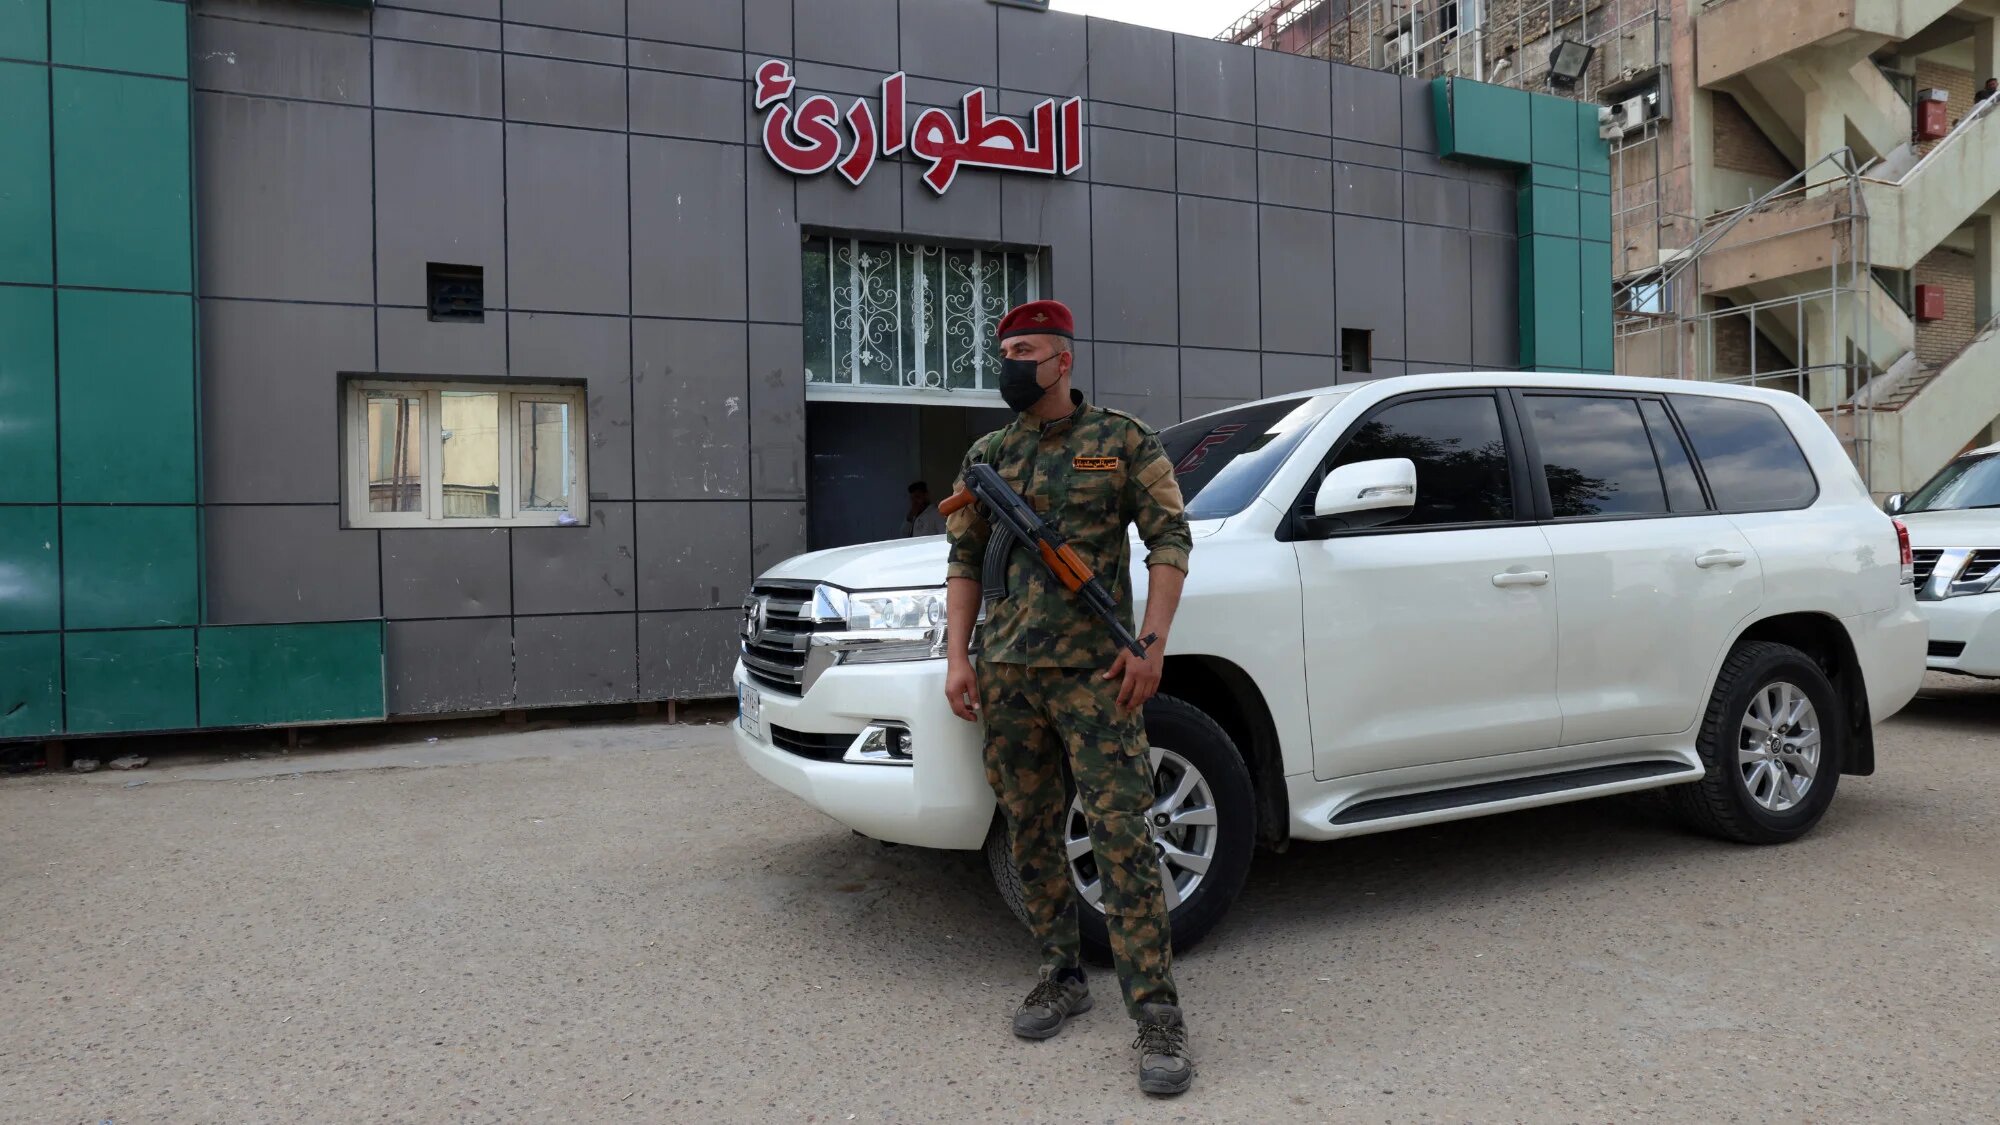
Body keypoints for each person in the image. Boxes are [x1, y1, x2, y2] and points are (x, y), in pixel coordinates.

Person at [940, 299, 1197, 1097]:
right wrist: (957, 655)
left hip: (1097, 675)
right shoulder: (987, 452)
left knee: (1122, 836)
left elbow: (1170, 541)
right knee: (1030, 834)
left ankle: (1157, 1012)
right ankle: (1060, 972)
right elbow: (965, 563)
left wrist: (1150, 644)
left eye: (1028, 349)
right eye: (1006, 348)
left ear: (1064, 361)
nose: (1013, 361)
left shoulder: (1121, 440)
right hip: (1008, 673)